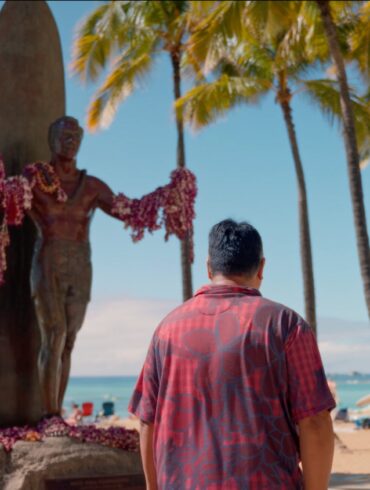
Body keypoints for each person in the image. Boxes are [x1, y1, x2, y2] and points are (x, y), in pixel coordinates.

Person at [129, 219, 336, 490]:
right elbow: (315, 423)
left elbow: (148, 422)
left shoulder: (167, 329)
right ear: (261, 268)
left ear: (208, 267)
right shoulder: (285, 325)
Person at [26, 116, 119, 418]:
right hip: (49, 257)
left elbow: (124, 209)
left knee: (69, 341)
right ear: (51, 140)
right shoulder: (34, 180)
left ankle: (58, 416)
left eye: (76, 137)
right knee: (54, 333)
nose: (71, 141)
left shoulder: (91, 186)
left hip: (81, 262)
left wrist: (168, 198)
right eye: (65, 136)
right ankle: (50, 415)